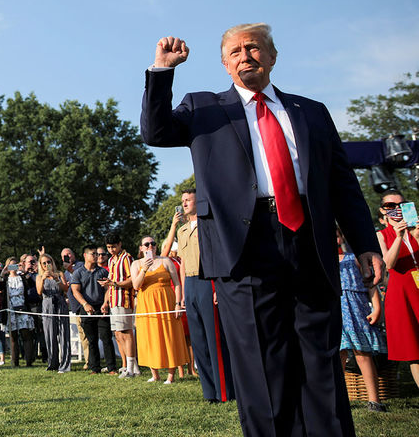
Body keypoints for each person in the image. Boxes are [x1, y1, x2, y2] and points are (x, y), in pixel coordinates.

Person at [140, 23, 383, 436]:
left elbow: (342, 183)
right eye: (234, 52)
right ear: (224, 64)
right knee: (260, 363)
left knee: (320, 359)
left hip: (309, 240)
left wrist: (365, 244)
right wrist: (162, 70)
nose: (244, 56)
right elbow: (155, 131)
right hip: (242, 248)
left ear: (272, 56)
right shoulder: (203, 108)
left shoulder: (313, 112)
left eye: (253, 48)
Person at [171, 189, 234, 401]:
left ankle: (224, 390)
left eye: (188, 200)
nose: (185, 204)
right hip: (190, 284)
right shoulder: (181, 231)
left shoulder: (208, 225)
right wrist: (181, 295)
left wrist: (217, 287)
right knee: (198, 341)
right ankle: (209, 392)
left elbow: (217, 257)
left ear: (198, 201)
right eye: (183, 201)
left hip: (207, 281)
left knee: (214, 338)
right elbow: (181, 264)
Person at [338, 228, 387, 412]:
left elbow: (371, 285)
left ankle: (374, 400)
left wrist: (377, 307)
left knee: (363, 354)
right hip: (335, 312)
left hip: (357, 311)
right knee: (338, 356)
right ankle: (337, 398)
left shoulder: (354, 258)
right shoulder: (321, 261)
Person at [376, 192, 419, 389]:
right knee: (414, 350)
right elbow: (388, 264)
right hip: (402, 293)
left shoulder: (416, 229)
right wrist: (399, 237)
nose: (396, 209)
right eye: (390, 205)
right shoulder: (382, 235)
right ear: (383, 210)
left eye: (401, 205)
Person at [131, 236, 188, 384]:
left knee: (169, 335)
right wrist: (144, 269)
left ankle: (171, 375)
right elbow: (136, 286)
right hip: (146, 304)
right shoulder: (136, 264)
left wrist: (178, 303)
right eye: (147, 244)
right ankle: (154, 374)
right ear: (141, 248)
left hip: (166, 302)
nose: (151, 246)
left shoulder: (165, 261)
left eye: (153, 243)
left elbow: (177, 283)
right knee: (149, 336)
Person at [71, 245, 117, 375]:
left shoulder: (102, 272)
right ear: (85, 255)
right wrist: (85, 304)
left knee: (106, 338)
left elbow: (108, 288)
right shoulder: (78, 273)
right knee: (91, 340)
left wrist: (105, 303)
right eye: (93, 254)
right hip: (86, 309)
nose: (96, 256)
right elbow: (75, 291)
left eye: (97, 254)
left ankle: (112, 368)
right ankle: (94, 368)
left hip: (101, 308)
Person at [104, 233, 139, 378]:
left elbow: (132, 279)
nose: (111, 250)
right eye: (109, 247)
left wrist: (115, 284)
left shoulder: (127, 258)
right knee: (118, 334)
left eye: (113, 246)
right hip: (113, 300)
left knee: (126, 332)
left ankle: (131, 367)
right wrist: (105, 301)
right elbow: (110, 282)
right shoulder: (111, 260)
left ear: (119, 244)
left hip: (124, 299)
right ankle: (129, 366)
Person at [36, 251, 71, 373]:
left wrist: (57, 279)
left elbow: (65, 289)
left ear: (52, 262)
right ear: (41, 265)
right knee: (50, 335)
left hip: (60, 303)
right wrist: (44, 278)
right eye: (44, 263)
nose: (47, 265)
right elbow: (39, 292)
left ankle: (65, 364)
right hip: (47, 304)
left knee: (64, 334)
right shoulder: (39, 277)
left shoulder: (60, 274)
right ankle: (53, 363)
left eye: (48, 262)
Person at [3, 261, 34, 367]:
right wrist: (3, 273)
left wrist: (25, 272)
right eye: (10, 265)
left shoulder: (23, 277)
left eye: (15, 264)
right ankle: (15, 362)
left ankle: (29, 361)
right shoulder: (6, 278)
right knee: (13, 336)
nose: (13, 267)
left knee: (26, 334)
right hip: (11, 308)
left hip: (23, 307)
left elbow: (31, 285)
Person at [61, 248, 89, 366]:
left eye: (69, 254)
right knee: (82, 335)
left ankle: (90, 361)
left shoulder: (81, 266)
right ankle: (88, 361)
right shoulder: (66, 273)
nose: (67, 257)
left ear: (73, 255)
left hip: (84, 305)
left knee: (88, 334)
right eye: (64, 256)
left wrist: (70, 269)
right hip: (74, 307)